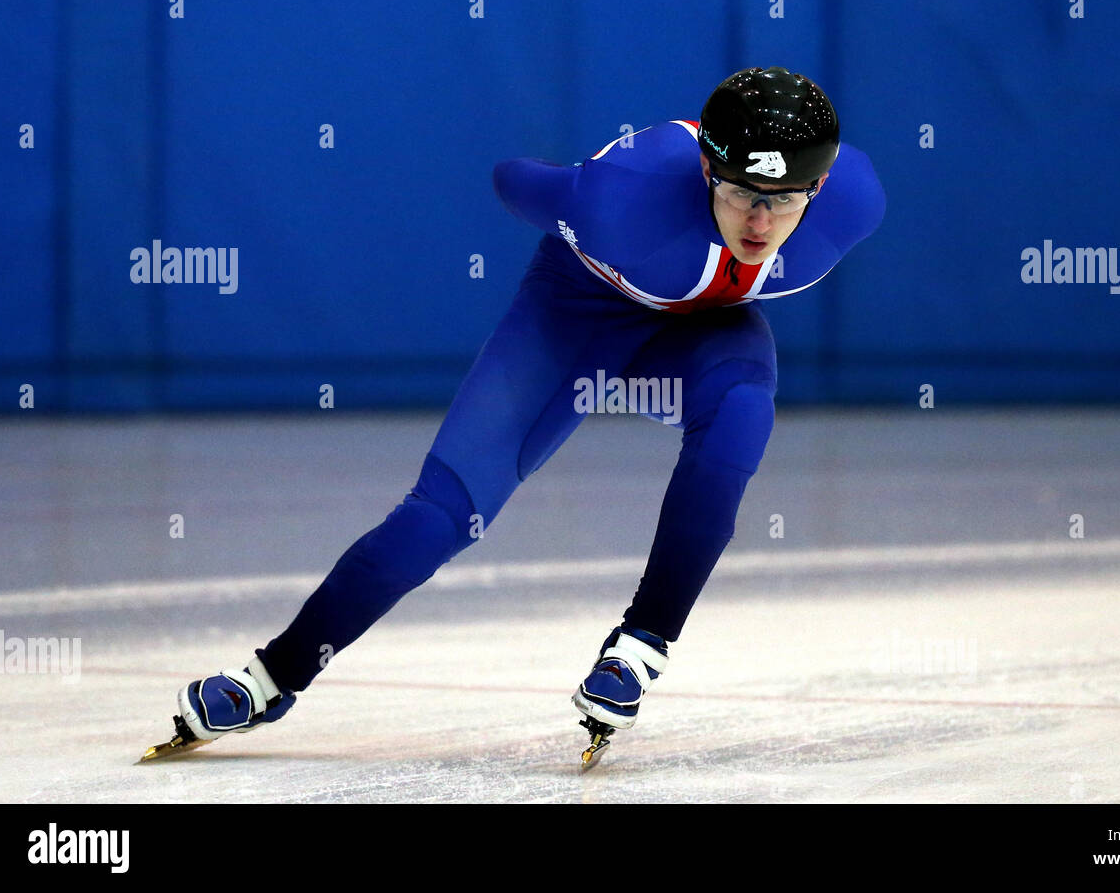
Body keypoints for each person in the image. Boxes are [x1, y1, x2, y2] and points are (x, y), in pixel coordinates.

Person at [146, 66, 886, 765]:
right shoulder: (620, 199)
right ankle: (272, 678)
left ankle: (640, 645)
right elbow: (514, 180)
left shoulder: (852, 204)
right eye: (738, 194)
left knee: (742, 417)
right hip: (578, 315)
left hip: (702, 333)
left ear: (819, 185)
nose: (759, 221)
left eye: (785, 199)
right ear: (704, 171)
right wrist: (576, 183)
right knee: (440, 515)